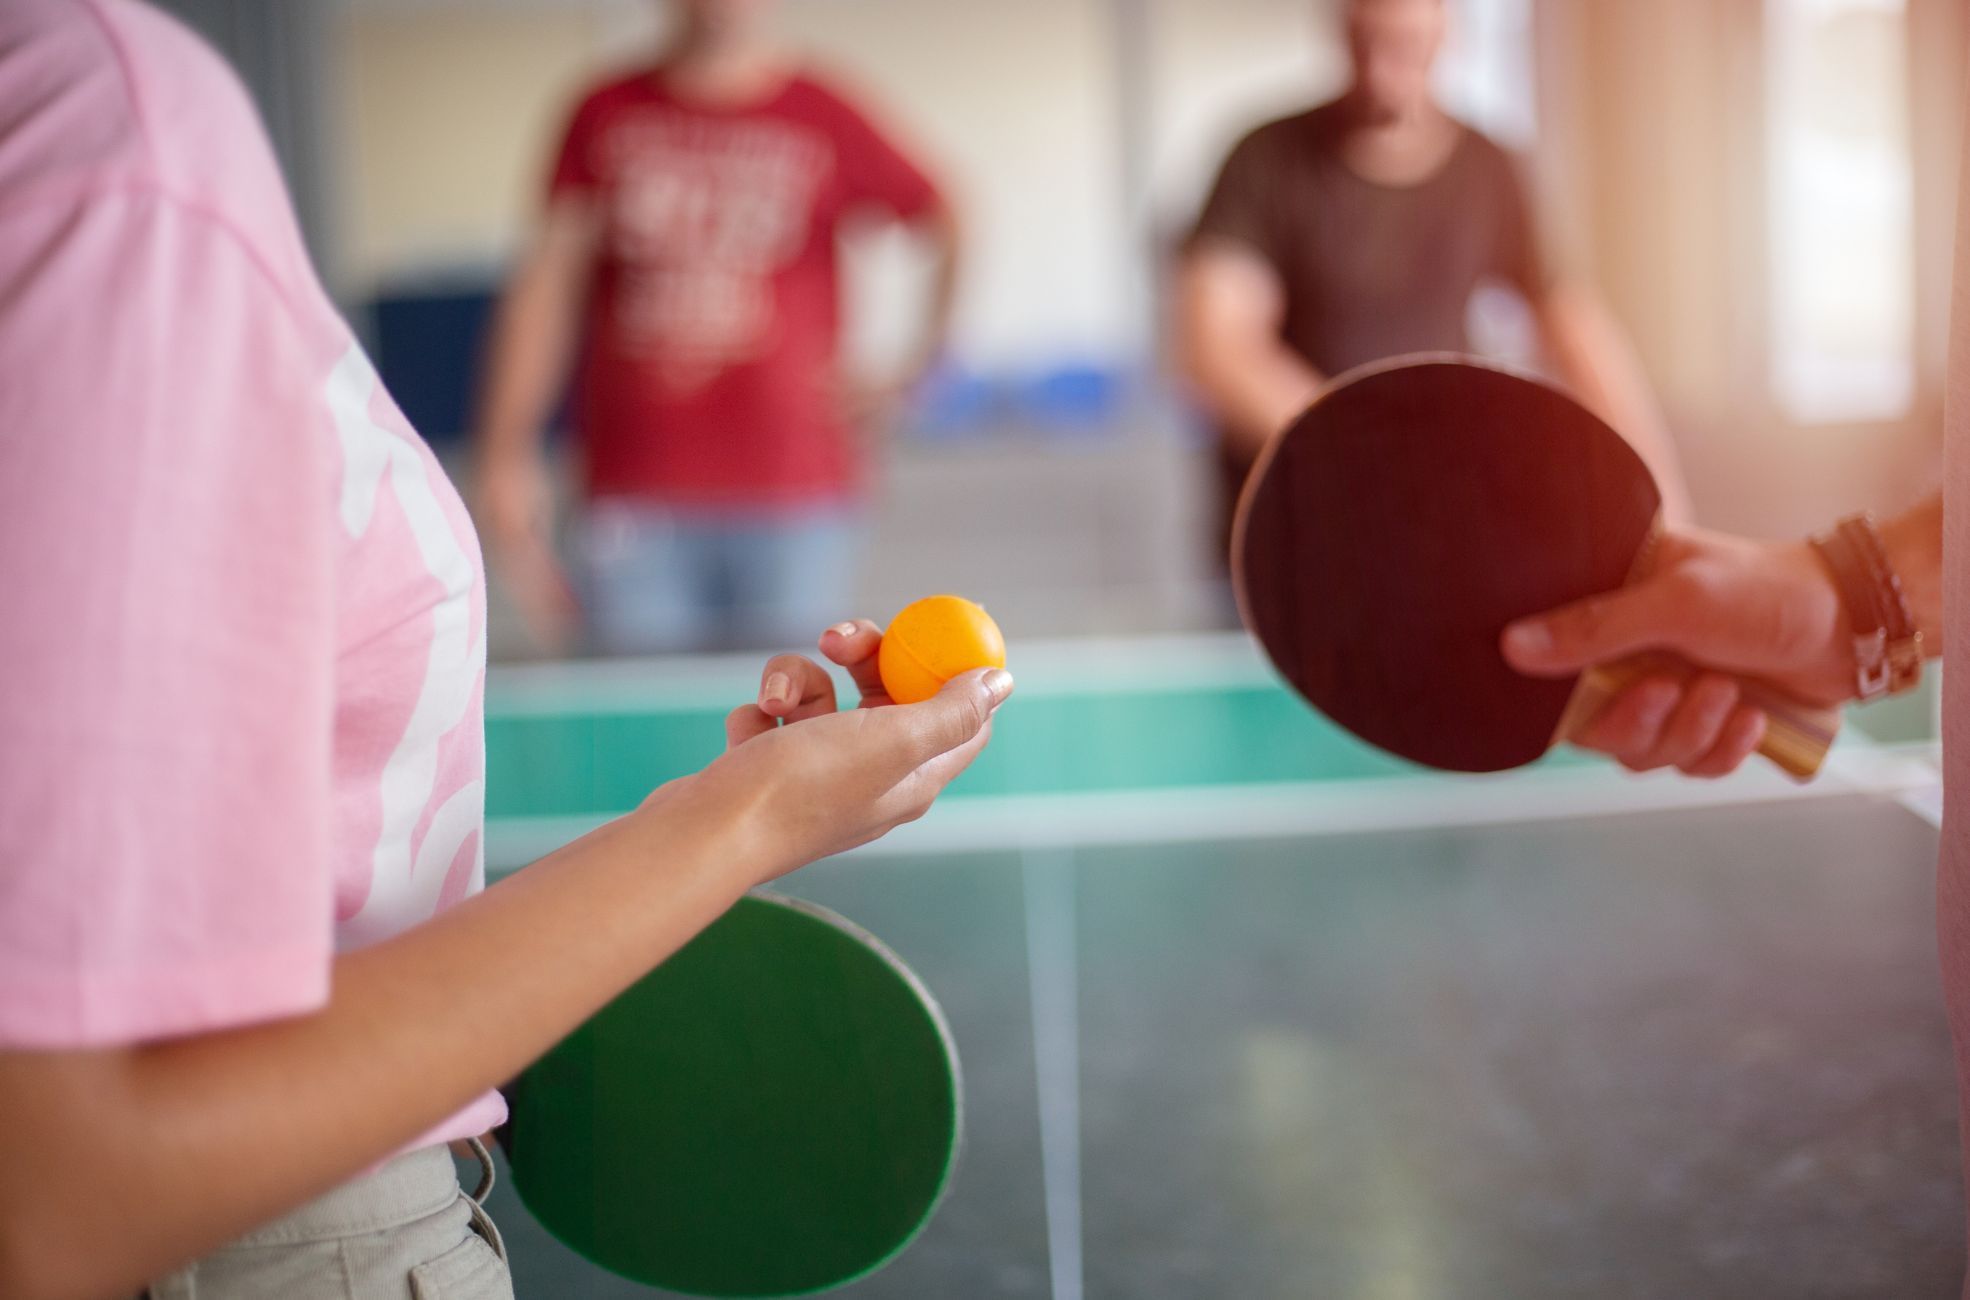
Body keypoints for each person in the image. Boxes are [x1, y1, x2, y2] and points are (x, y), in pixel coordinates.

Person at [0, 3, 1008, 1296]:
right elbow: (71, 1180)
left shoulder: (93, 117)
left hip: (792, 486)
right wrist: (746, 819)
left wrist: (907, 367)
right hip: (292, 1238)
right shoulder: (110, 125)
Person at [475, 0, 961, 657]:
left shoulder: (824, 111)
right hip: (636, 489)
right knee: (645, 733)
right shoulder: (603, 111)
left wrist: (918, 366)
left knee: (791, 723)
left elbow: (947, 214)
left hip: (797, 492)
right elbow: (547, 284)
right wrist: (507, 449)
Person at [1176, 0, 1692, 562]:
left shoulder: (1491, 168)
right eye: (1364, 41)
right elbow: (1218, 348)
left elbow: (1574, 327)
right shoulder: (1265, 160)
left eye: (1403, 45)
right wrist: (1373, 454)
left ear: (1445, 34)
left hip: (1439, 522)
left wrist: (1664, 501)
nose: (1379, 70)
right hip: (1295, 531)